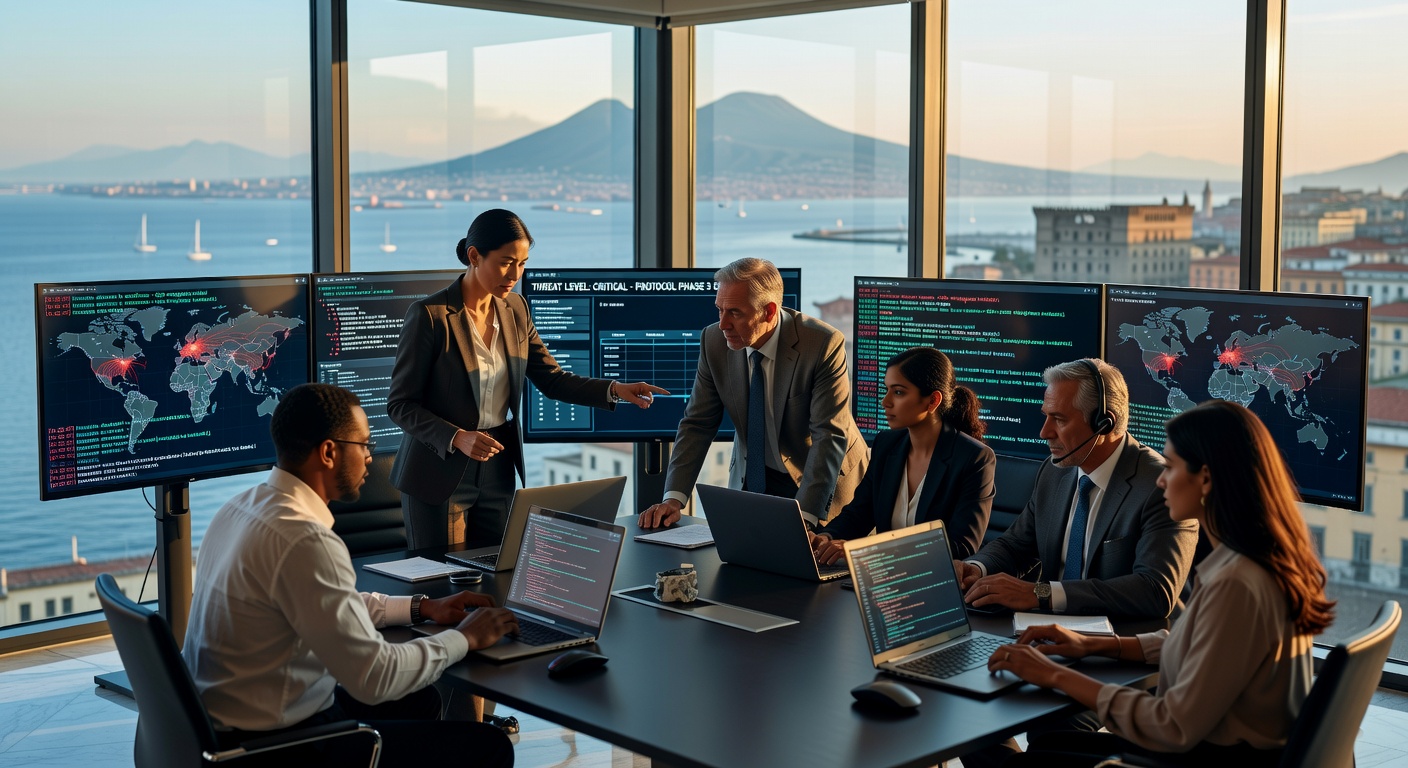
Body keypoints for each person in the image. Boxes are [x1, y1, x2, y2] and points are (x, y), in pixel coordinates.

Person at [182, 383, 519, 767]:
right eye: (364, 445)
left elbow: (322, 605)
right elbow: (374, 677)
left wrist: (422, 608)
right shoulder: (304, 540)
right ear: (329, 452)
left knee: (419, 698)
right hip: (275, 745)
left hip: (219, 725)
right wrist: (465, 637)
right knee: (489, 747)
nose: (370, 459)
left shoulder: (242, 507)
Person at [987, 400, 1334, 766]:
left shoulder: (1237, 585)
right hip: (1225, 748)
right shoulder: (1254, 560)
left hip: (1205, 756)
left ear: (1206, 478)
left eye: (1170, 466)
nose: (1161, 479)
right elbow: (1202, 645)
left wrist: (1053, 674)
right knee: (1048, 745)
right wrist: (1092, 644)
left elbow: (1170, 725)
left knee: (1016, 752)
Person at [388, 208, 666, 549]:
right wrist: (457, 436)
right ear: (474, 256)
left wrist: (614, 389)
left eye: (522, 263)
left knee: (497, 577)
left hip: (498, 468)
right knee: (443, 584)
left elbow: (552, 378)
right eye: (506, 262)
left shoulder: (515, 309)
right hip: (438, 471)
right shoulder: (431, 316)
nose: (515, 274)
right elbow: (400, 405)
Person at [638, 257, 869, 528]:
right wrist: (673, 499)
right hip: (756, 476)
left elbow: (828, 436)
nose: (723, 324)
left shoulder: (822, 344)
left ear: (769, 312)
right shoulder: (713, 341)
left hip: (821, 481)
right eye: (719, 310)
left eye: (735, 313)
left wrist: (805, 519)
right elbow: (697, 425)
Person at [957, 358, 1198, 618]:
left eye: (1058, 419)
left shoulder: (1160, 486)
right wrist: (977, 568)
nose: (1044, 432)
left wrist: (1041, 594)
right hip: (1046, 632)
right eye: (1046, 417)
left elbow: (1155, 591)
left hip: (1118, 641)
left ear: (1104, 423)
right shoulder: (1055, 470)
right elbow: (1016, 545)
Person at [810, 347, 994, 563]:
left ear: (933, 400)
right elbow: (859, 513)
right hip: (884, 578)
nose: (885, 402)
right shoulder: (886, 444)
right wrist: (826, 538)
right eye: (886, 390)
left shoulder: (975, 458)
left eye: (898, 392)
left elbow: (961, 546)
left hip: (934, 583)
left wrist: (862, 550)